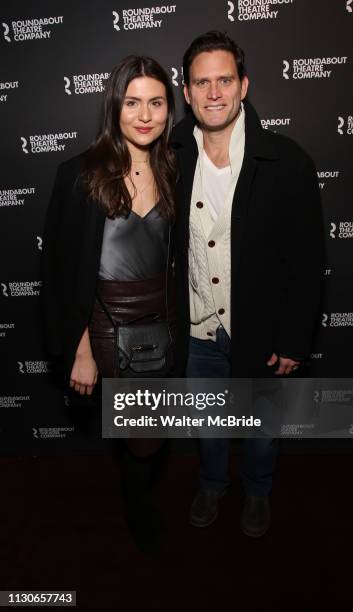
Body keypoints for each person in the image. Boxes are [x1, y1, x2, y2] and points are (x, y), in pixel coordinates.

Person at [172, 31, 324, 536]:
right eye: (202, 82)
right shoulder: (167, 159)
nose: (213, 93)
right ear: (187, 93)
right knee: (209, 427)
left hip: (259, 332)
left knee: (262, 430)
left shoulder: (287, 161)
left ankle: (258, 491)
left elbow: (306, 260)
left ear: (243, 86)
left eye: (224, 80)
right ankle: (212, 485)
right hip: (196, 333)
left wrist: (294, 340)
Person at [41, 55, 178, 551]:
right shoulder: (78, 174)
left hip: (162, 323)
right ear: (114, 106)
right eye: (132, 102)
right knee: (141, 437)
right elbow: (59, 272)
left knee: (149, 435)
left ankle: (138, 499)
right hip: (105, 323)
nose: (144, 114)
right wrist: (80, 349)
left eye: (156, 103)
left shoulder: (174, 169)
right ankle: (139, 512)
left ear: (170, 108)